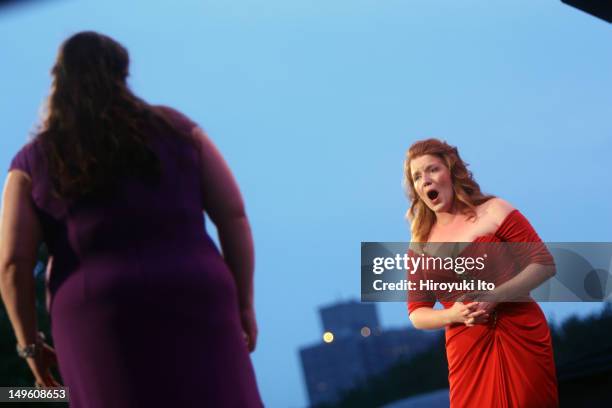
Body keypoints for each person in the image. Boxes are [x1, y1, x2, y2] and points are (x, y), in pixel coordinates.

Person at [0, 31, 263, 407]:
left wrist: (30, 347)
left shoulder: (32, 162)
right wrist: (243, 304)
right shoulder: (178, 131)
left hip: (97, 317)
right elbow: (234, 217)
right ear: (123, 73)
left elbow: (12, 264)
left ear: (58, 82)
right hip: (195, 294)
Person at [404, 138, 558, 407]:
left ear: (451, 172)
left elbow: (543, 263)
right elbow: (417, 313)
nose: (425, 180)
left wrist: (495, 296)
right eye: (417, 177)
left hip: (520, 333)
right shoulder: (419, 246)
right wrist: (452, 314)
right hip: (467, 350)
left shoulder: (494, 210)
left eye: (432, 169)